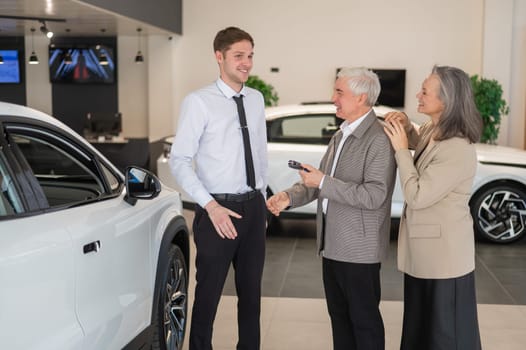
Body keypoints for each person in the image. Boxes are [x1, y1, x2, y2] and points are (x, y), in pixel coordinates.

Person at [267, 67, 396, 350]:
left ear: (361, 97)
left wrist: (323, 181)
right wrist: (289, 197)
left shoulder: (378, 140)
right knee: (339, 319)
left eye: (339, 92)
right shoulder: (341, 134)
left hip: (359, 250)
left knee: (364, 322)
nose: (333, 98)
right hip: (333, 245)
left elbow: (375, 195)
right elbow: (320, 181)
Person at [169, 26, 268, 350]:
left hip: (253, 209)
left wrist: (262, 199)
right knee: (208, 297)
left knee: (251, 296)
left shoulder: (255, 99)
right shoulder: (199, 102)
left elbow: (259, 154)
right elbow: (180, 160)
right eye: (239, 56)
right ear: (219, 56)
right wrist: (209, 206)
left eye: (250, 56)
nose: (246, 63)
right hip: (216, 211)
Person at [383, 65, 482, 350]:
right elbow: (421, 140)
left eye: (425, 91)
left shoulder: (457, 147)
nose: (418, 94)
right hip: (425, 257)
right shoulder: (434, 129)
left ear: (446, 100)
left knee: (445, 338)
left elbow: (417, 195)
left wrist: (401, 150)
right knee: (421, 332)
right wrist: (405, 126)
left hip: (444, 261)